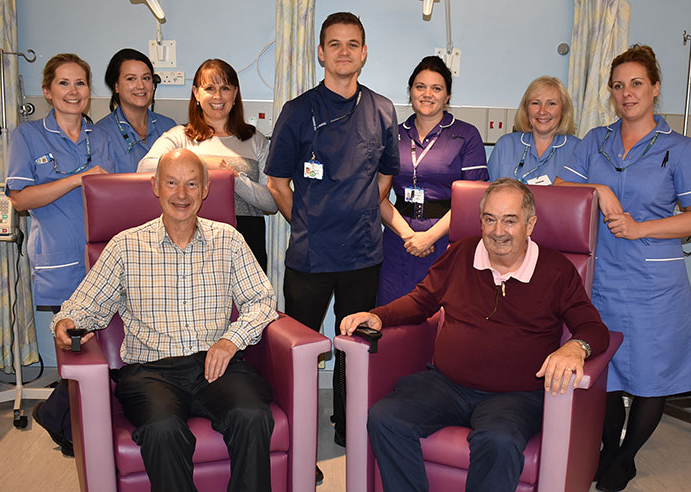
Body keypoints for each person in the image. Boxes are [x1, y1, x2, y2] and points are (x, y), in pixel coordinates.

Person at [341, 178, 610, 492]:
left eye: (510, 221)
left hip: (516, 396)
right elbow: (422, 300)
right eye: (489, 219)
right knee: (386, 418)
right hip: (447, 384)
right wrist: (377, 316)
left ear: (530, 224)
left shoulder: (556, 269)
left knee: (499, 440)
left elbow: (594, 329)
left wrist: (576, 347)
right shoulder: (462, 253)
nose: (498, 231)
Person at [51, 149, 278, 492]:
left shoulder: (229, 240)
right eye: (172, 183)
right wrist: (66, 322)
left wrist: (231, 340)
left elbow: (262, 300)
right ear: (156, 186)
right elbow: (84, 306)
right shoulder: (126, 245)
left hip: (216, 365)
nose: (182, 194)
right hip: (151, 372)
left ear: (205, 190)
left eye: (191, 184)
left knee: (252, 416)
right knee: (162, 430)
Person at [555, 45, 691, 492]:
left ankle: (625, 458)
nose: (627, 94)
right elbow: (563, 184)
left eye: (637, 84)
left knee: (649, 376)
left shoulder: (678, 148)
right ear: (611, 92)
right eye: (619, 86)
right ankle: (607, 449)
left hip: (654, 284)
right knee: (602, 370)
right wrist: (600, 187)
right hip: (601, 278)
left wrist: (643, 227)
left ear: (655, 88)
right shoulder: (595, 141)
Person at [265, 11, 400, 482]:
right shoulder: (298, 111)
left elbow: (385, 174)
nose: (344, 52)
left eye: (353, 44)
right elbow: (277, 181)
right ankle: (296, 435)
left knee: (353, 345)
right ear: (320, 52)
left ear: (364, 53)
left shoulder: (383, 109)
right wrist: (307, 221)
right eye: (335, 44)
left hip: (364, 253)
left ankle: (346, 427)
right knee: (299, 347)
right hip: (310, 254)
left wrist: (360, 210)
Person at [6, 53, 114, 457]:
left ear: (90, 92)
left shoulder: (100, 136)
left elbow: (120, 187)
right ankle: (66, 421)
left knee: (103, 350)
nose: (73, 91)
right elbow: (20, 200)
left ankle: (63, 419)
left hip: (103, 259)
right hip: (59, 258)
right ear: (48, 90)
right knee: (76, 347)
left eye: (80, 84)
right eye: (64, 84)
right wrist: (78, 179)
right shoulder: (29, 136)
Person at [138, 59, 277, 271]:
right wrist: (204, 164)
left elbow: (271, 202)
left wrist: (233, 177)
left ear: (235, 93)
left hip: (247, 241)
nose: (218, 96)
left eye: (225, 88)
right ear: (196, 93)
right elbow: (144, 168)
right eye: (209, 88)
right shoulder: (180, 136)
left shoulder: (255, 139)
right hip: (191, 239)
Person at [377, 55, 487, 305]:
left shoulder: (466, 135)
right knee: (392, 313)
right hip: (399, 238)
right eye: (420, 87)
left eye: (436, 88)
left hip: (447, 239)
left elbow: (476, 197)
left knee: (441, 316)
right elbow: (377, 193)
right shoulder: (393, 134)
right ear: (410, 91)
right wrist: (409, 236)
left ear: (447, 96)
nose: (427, 94)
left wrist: (428, 237)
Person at [94, 48, 176, 173]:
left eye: (146, 78)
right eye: (131, 79)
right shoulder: (101, 133)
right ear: (116, 86)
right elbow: (102, 186)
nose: (141, 86)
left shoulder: (169, 126)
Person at [487, 76, 578, 185]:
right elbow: (489, 193)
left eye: (551, 104)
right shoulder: (506, 145)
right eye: (535, 103)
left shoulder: (578, 149)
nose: (542, 111)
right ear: (526, 108)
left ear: (563, 109)